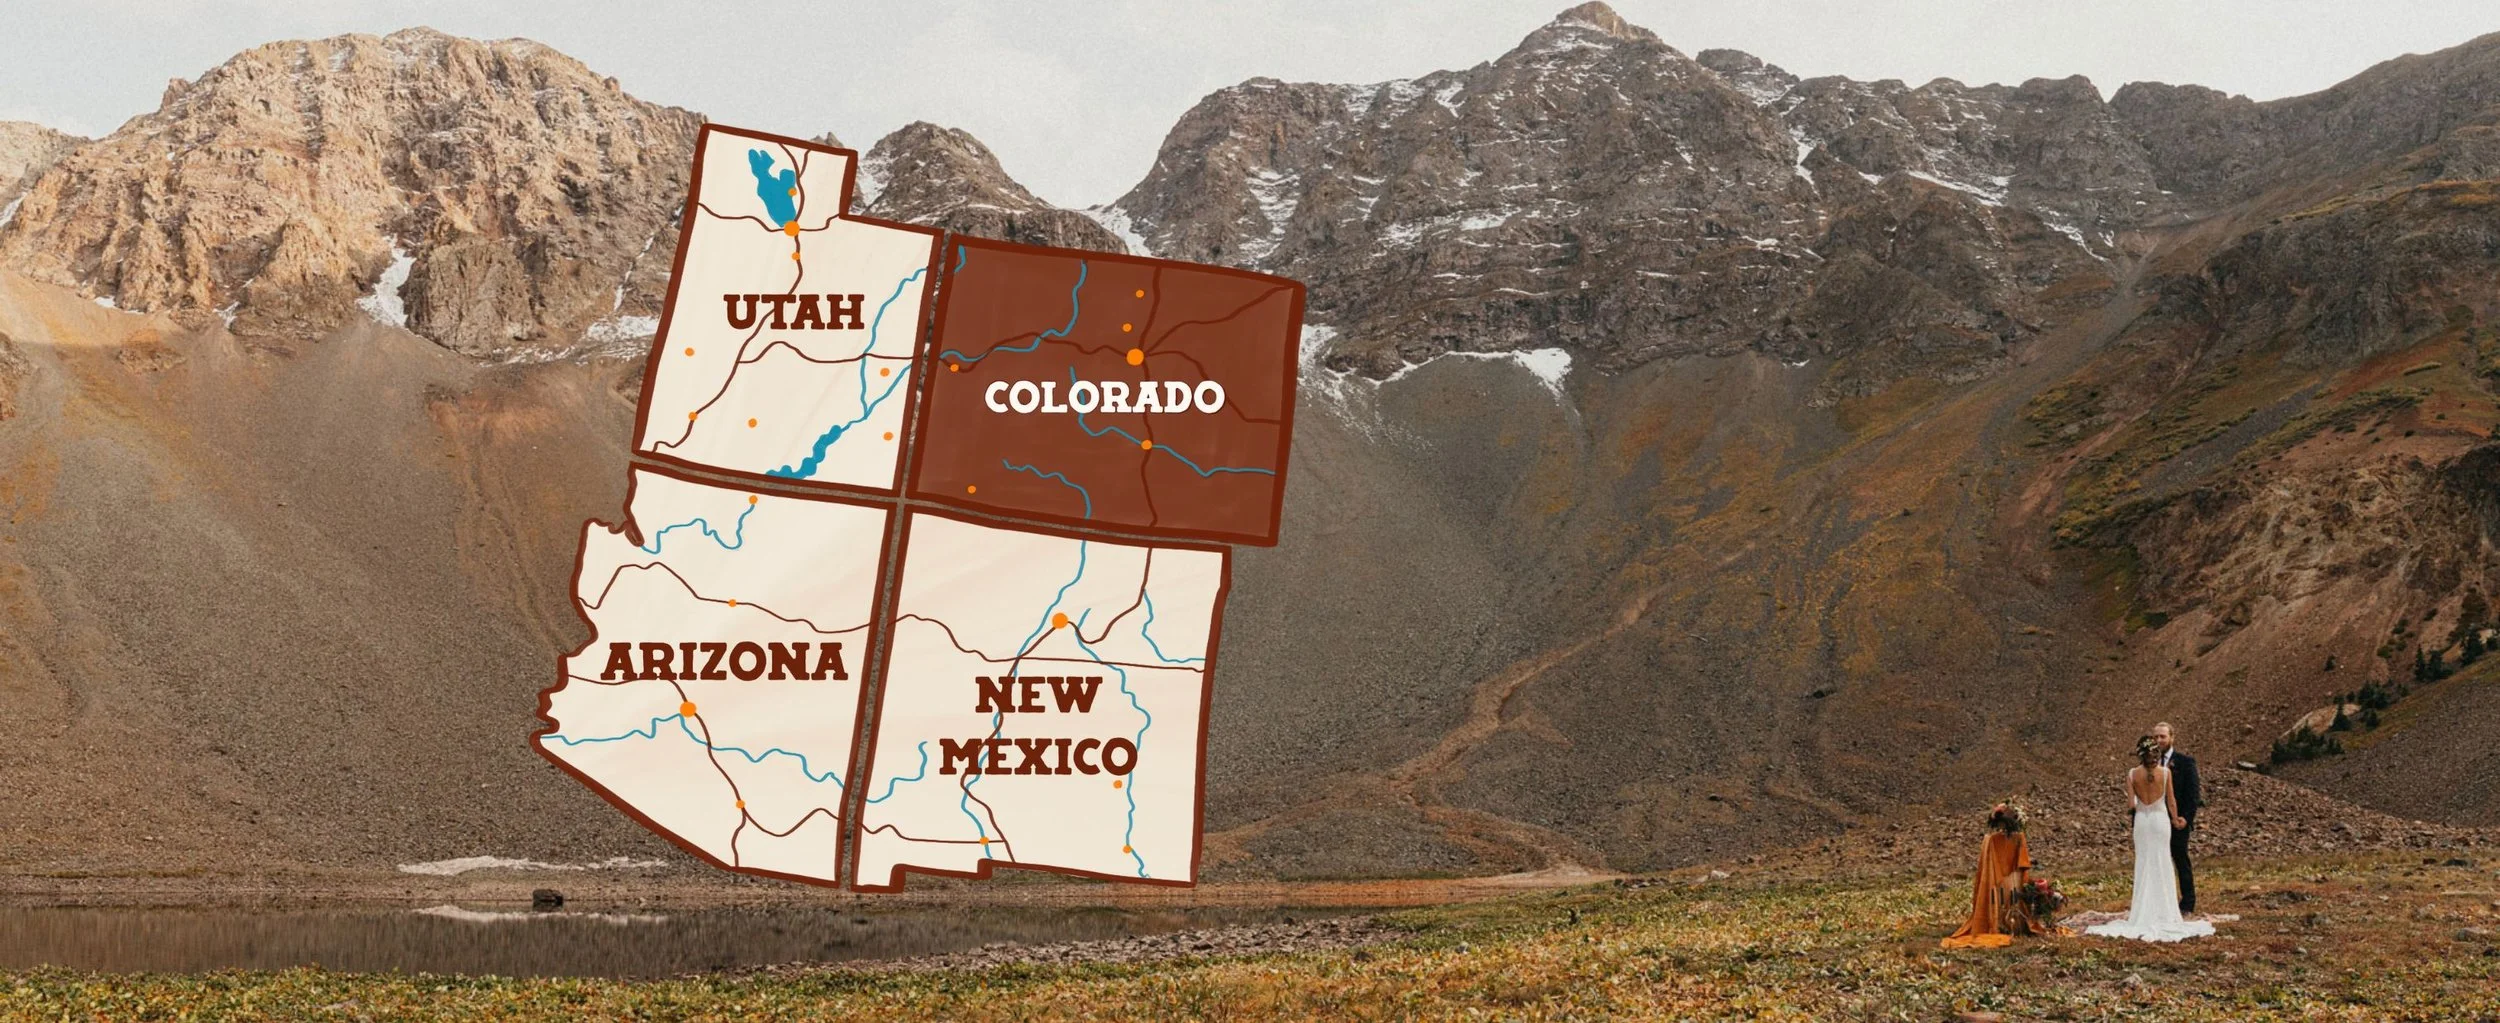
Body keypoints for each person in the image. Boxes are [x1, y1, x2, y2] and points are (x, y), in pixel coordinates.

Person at [2084, 737, 2214, 942]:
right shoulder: (2165, 773)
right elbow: (2171, 801)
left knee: (2144, 863)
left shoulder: (2132, 774)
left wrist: (2141, 803)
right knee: (2162, 861)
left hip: (2143, 823)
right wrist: (2176, 819)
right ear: (2156, 754)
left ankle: (2142, 911)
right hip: (2160, 821)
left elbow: (2131, 805)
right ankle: (2167, 910)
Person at [1941, 802, 2057, 948]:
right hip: (2005, 878)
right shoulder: (1997, 839)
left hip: (2011, 877)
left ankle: (2010, 921)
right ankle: (2003, 922)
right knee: (2006, 896)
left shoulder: (2011, 838)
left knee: (2010, 896)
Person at [2153, 721, 2201, 914]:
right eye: (2155, 737)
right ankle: (2162, 902)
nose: (2159, 740)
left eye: (2162, 736)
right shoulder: (2149, 764)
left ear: (2171, 738)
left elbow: (2193, 794)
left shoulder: (2185, 762)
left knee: (2180, 859)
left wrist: (2186, 819)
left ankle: (2187, 903)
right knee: (2158, 861)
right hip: (2156, 819)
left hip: (2177, 821)